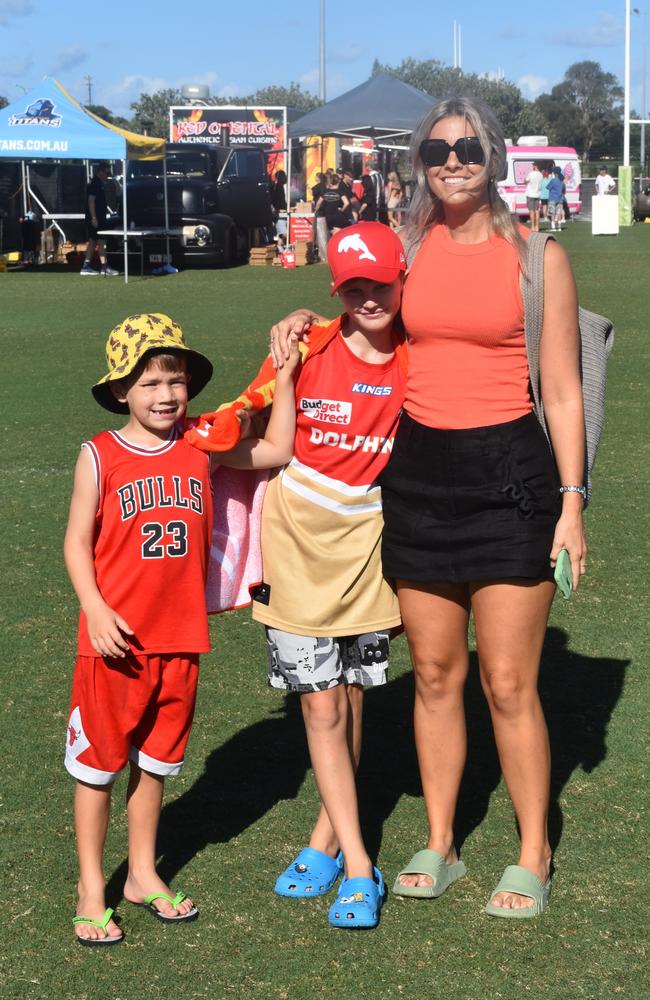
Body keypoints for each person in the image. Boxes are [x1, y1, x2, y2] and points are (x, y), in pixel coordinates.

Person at [269, 95, 587, 919]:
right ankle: (441, 841)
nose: (453, 159)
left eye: (468, 146)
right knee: (437, 676)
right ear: (420, 160)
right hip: (415, 475)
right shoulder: (406, 248)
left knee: (509, 680)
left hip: (512, 475)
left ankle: (532, 851)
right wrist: (304, 321)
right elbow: (362, 319)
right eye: (438, 148)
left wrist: (573, 501)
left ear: (493, 155)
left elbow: (561, 387)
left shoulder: (536, 256)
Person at [189, 223, 408, 929]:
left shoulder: (422, 353)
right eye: (353, 287)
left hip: (372, 548)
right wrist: (198, 442)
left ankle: (323, 837)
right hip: (295, 547)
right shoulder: (304, 344)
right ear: (335, 291)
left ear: (404, 280)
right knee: (318, 706)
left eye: (380, 282)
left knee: (349, 699)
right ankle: (358, 864)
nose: (368, 296)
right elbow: (251, 422)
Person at [63, 313, 215, 945]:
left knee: (155, 765)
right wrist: (95, 609)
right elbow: (76, 542)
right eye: (149, 382)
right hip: (115, 643)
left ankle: (143, 874)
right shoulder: (99, 454)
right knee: (99, 767)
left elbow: (278, 447)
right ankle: (93, 885)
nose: (165, 395)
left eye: (174, 380)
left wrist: (285, 370)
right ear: (122, 390)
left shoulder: (201, 448)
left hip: (180, 638)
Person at [80, 162, 118, 277]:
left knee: (93, 241)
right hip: (96, 219)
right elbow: (91, 201)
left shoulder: (99, 184)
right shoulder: (94, 184)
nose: (108, 175)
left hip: (97, 218)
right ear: (100, 172)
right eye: (106, 172)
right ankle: (104, 267)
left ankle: (86, 266)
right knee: (102, 242)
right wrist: (94, 217)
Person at [314, 171, 350, 237]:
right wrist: (342, 210)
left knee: (332, 232)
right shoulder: (340, 191)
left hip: (328, 216)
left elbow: (318, 203)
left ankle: (332, 244)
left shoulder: (325, 191)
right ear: (338, 182)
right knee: (338, 233)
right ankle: (335, 245)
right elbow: (346, 203)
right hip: (337, 215)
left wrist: (316, 210)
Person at [271, 169, 288, 246]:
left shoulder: (280, 187)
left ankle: (280, 249)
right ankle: (280, 249)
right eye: (284, 176)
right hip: (279, 213)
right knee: (283, 234)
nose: (286, 178)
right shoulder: (277, 187)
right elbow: (275, 200)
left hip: (282, 212)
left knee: (282, 234)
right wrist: (277, 209)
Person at [525, 161, 543, 232]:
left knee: (531, 211)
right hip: (538, 194)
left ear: (535, 166)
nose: (532, 167)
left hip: (530, 194)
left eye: (533, 165)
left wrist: (526, 182)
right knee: (537, 211)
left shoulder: (531, 174)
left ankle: (532, 227)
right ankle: (537, 227)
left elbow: (525, 181)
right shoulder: (541, 174)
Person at [547, 166, 565, 231]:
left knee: (552, 213)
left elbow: (548, 187)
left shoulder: (553, 180)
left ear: (554, 173)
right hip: (560, 198)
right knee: (559, 213)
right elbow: (563, 189)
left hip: (552, 198)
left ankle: (553, 227)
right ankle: (559, 227)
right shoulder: (561, 180)